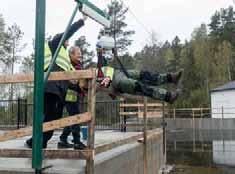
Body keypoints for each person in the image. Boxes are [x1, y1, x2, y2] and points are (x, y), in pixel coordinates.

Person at [26, 15, 87, 149]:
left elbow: (72, 80)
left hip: (59, 90)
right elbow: (68, 31)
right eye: (66, 40)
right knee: (50, 116)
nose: (68, 42)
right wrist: (81, 22)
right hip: (49, 87)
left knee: (53, 118)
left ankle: (35, 141)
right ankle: (39, 143)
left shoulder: (64, 55)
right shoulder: (54, 44)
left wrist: (82, 87)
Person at [96, 36, 183, 103]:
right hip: (118, 82)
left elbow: (107, 62)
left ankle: (171, 78)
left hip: (120, 73)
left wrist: (114, 54)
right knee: (141, 87)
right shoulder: (99, 70)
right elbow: (101, 72)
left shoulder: (105, 63)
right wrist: (99, 53)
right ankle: (168, 96)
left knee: (144, 75)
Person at [57, 46, 87, 150]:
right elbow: (68, 81)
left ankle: (63, 139)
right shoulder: (68, 65)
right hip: (69, 95)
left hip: (74, 95)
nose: (80, 55)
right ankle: (77, 142)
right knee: (75, 118)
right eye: (77, 53)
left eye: (80, 53)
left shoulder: (78, 65)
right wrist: (79, 88)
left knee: (73, 118)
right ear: (71, 55)